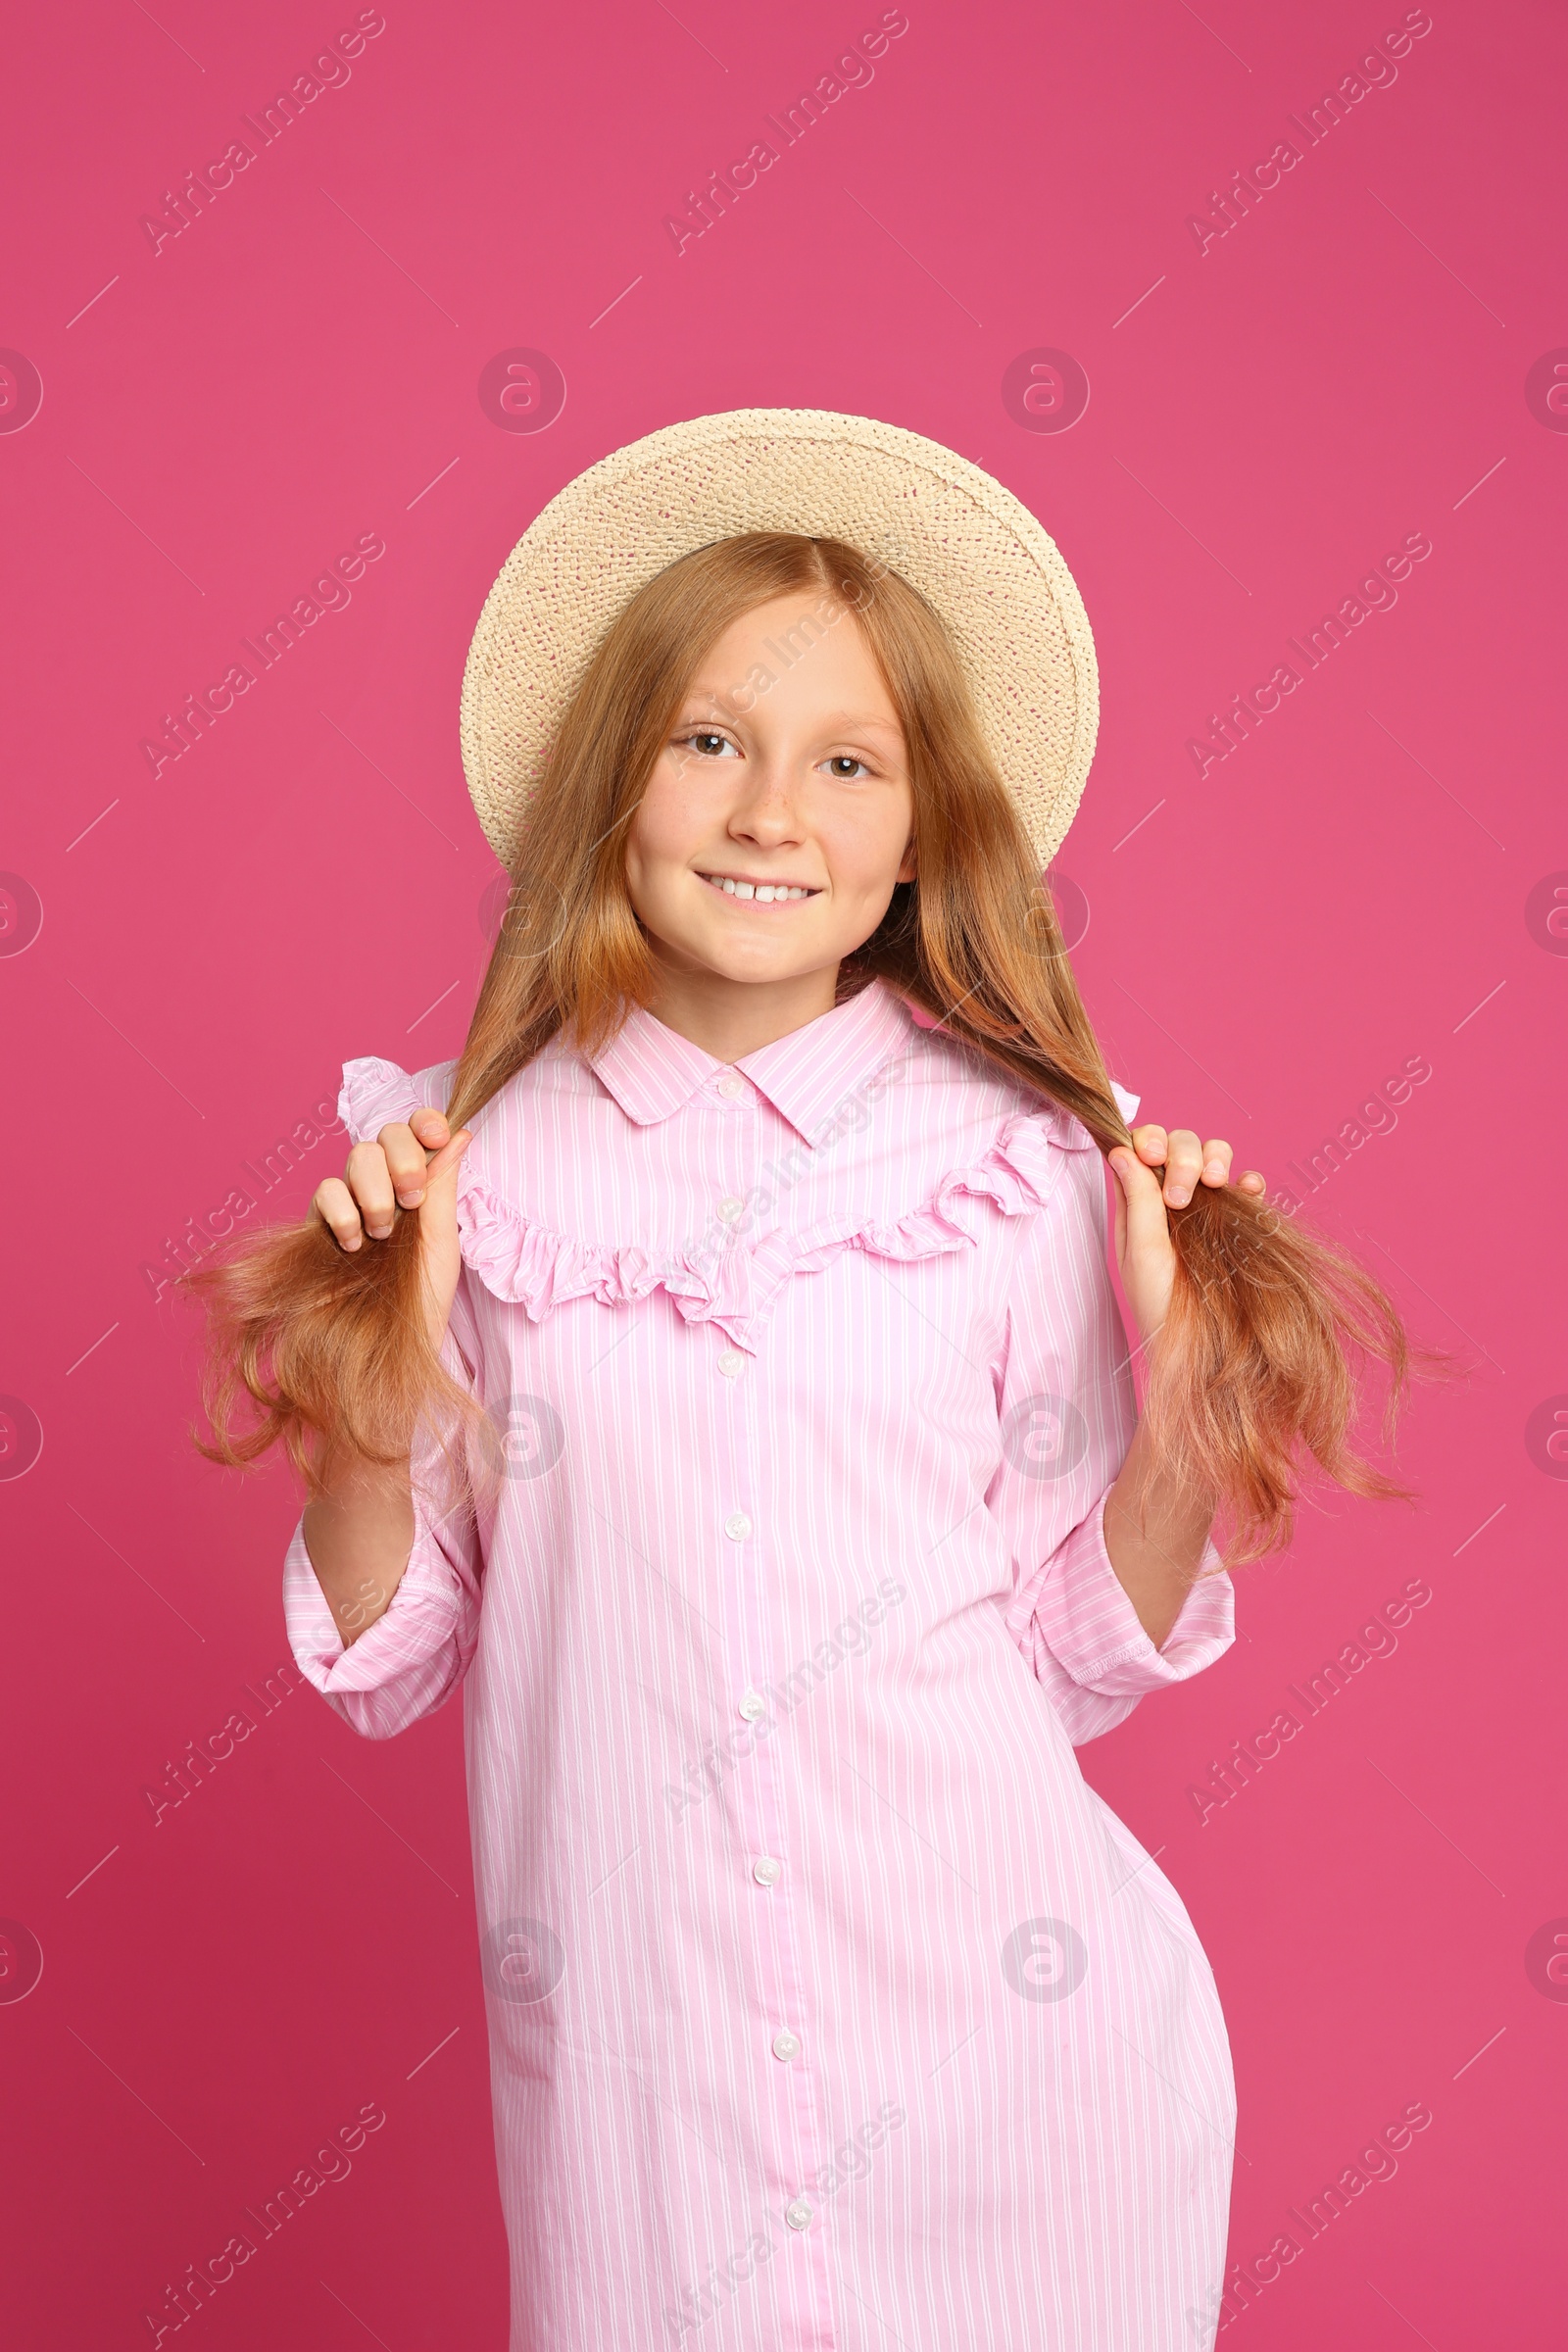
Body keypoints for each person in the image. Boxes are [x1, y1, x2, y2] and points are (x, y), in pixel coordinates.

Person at [186, 411, 1418, 2350]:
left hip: (1015, 2091)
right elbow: (386, 1647)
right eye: (709, 742)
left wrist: (1181, 1423)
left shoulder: (1014, 1167)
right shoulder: (456, 1168)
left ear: (921, 823)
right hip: (647, 2113)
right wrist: (355, 1372)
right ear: (614, 780)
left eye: (848, 763)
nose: (773, 815)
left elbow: (1070, 1658)